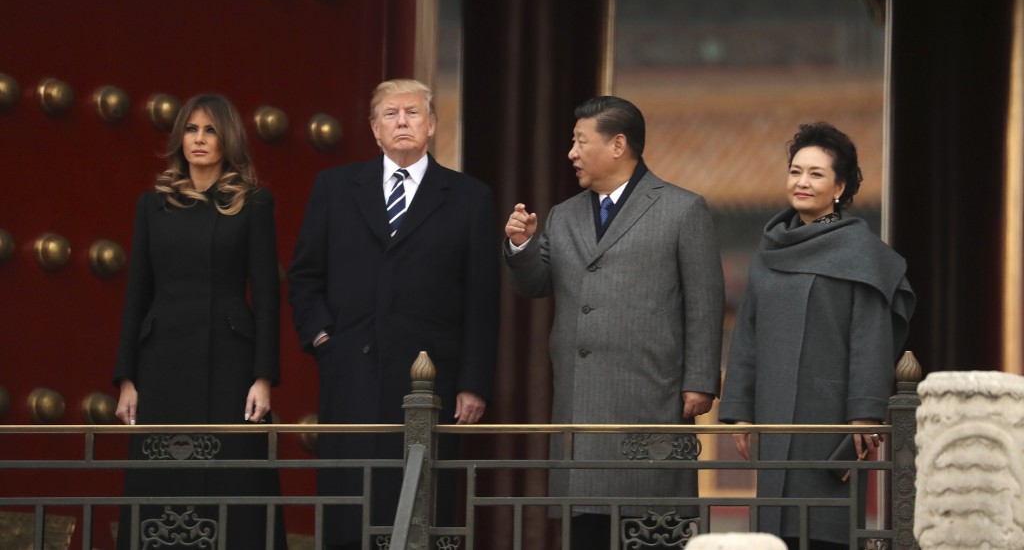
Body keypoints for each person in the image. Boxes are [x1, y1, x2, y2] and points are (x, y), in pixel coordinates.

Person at [503, 95, 725, 550]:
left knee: (653, 526)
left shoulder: (681, 209)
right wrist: (521, 246)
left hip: (652, 394)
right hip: (581, 402)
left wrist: (700, 380)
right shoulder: (563, 215)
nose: (572, 153)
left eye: (580, 141)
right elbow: (536, 285)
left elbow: (704, 300)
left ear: (618, 144)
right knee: (586, 528)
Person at [287, 78, 500, 550]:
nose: (402, 122)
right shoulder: (336, 187)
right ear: (374, 129)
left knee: (423, 508)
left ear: (432, 125)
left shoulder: (469, 197)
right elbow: (305, 276)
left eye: (412, 113)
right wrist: (324, 340)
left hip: (432, 381)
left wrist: (473, 382)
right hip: (351, 374)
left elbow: (482, 299)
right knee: (351, 507)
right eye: (390, 114)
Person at [718, 122, 916, 550]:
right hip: (773, 412)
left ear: (839, 187)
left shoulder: (859, 252)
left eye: (815, 174)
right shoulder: (770, 248)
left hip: (829, 414)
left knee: (826, 528)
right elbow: (747, 334)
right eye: (795, 171)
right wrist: (740, 410)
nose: (802, 182)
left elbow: (870, 338)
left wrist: (864, 411)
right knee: (773, 532)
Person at [112, 93, 286, 550]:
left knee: (232, 483)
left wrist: (263, 377)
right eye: (191, 129)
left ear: (227, 139)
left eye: (210, 130)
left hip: (230, 365)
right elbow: (137, 294)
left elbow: (267, 296)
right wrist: (127, 378)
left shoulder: (252, 203)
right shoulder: (152, 205)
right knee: (163, 481)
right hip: (161, 363)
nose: (200, 139)